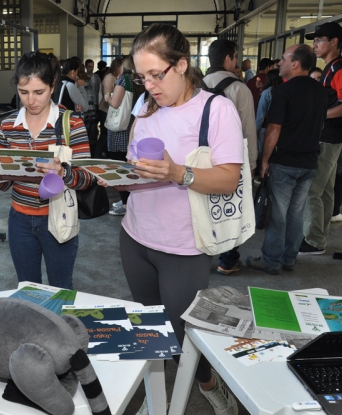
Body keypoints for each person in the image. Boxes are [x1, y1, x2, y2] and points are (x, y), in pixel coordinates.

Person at [123, 23, 244, 414]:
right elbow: (135, 166)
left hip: (184, 247)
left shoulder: (216, 109)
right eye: (142, 77)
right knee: (149, 332)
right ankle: (155, 399)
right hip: (135, 236)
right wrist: (120, 178)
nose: (149, 86)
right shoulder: (144, 108)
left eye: (156, 74)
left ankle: (210, 385)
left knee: (182, 336)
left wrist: (179, 174)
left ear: (182, 65)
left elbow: (228, 179)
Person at [0, 52, 93, 290]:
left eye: (39, 92)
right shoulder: (9, 126)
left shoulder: (71, 123)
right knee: (28, 289)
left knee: (60, 288)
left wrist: (63, 173)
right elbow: (6, 183)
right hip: (19, 221)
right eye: (23, 92)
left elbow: (87, 178)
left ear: (52, 86)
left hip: (57, 218)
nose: (30, 100)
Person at [246, 44, 329, 275]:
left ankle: (271, 261)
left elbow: (273, 129)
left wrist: (264, 160)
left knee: (278, 215)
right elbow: (321, 124)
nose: (279, 63)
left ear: (295, 64)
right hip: (309, 163)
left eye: (283, 59)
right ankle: (289, 258)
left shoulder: (283, 91)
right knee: (296, 213)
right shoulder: (321, 91)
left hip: (284, 163)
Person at [300, 21, 342, 255]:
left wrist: (320, 115)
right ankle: (319, 239)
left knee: (313, 191)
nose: (315, 45)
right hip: (332, 138)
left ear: (334, 42)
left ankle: (313, 241)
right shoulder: (332, 67)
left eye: (319, 40)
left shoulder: (339, 68)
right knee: (324, 191)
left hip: (328, 138)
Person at [202, 39, 258, 275]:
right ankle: (228, 260)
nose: (236, 62)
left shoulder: (196, 85)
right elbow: (248, 131)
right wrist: (251, 164)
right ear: (228, 58)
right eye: (235, 57)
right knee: (232, 210)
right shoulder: (239, 89)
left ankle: (201, 258)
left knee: (203, 208)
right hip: (232, 161)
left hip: (202, 159)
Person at [104, 56, 136, 216]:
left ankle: (125, 203)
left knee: (119, 166)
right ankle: (128, 200)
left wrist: (107, 96)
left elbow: (115, 103)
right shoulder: (136, 79)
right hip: (130, 125)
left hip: (119, 130)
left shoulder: (123, 80)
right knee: (128, 165)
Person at [97, 58, 123, 159]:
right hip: (105, 111)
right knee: (104, 135)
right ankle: (98, 156)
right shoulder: (109, 77)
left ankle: (103, 154)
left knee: (106, 135)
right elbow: (107, 96)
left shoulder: (113, 77)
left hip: (109, 110)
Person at [255, 69, 284, 155]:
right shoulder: (284, 91)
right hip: (281, 126)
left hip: (265, 127)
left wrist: (255, 130)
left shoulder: (267, 93)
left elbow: (261, 116)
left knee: (263, 153)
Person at [84, 59, 101, 156]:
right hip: (87, 105)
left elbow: (98, 90)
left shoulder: (96, 77)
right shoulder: (84, 77)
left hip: (95, 104)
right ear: (86, 67)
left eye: (92, 66)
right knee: (88, 126)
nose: (91, 68)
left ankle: (93, 146)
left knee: (94, 127)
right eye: (89, 67)